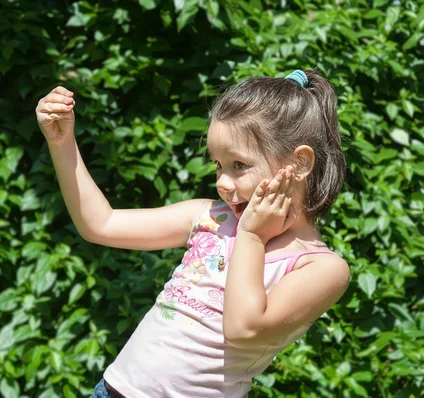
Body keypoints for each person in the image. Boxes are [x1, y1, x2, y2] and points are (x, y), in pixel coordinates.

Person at [35, 69, 351, 398]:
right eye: (218, 164)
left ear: (299, 163)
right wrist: (62, 142)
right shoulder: (210, 217)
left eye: (239, 165)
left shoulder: (320, 267)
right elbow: (101, 224)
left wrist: (252, 236)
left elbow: (243, 329)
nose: (222, 183)